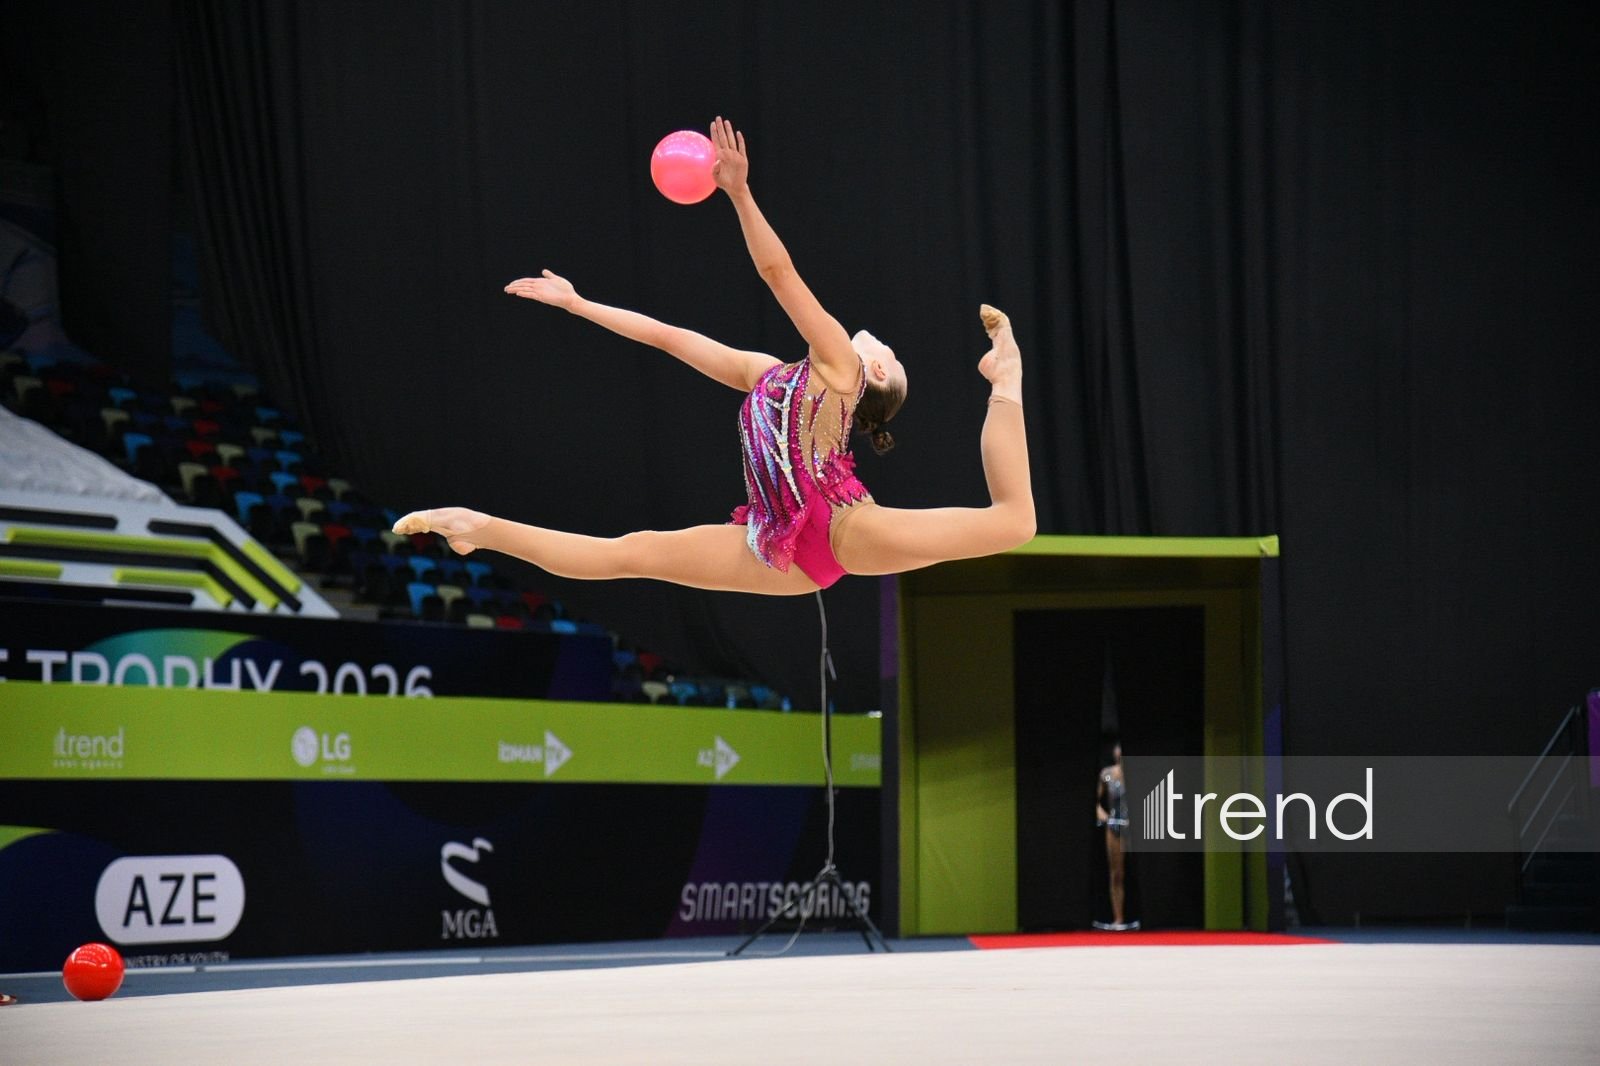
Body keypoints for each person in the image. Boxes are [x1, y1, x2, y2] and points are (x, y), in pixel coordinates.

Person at [394, 117, 1035, 592]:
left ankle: (1005, 377)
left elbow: (779, 274)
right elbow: (670, 337)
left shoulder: (841, 366)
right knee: (630, 553)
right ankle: (480, 528)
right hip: (774, 543)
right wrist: (580, 304)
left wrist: (740, 194)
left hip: (843, 528)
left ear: (877, 373)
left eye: (890, 353)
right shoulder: (770, 376)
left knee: (1015, 524)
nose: (883, 341)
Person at [1093, 742, 1139, 931]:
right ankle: (1118, 918)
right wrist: (1106, 818)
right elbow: (1095, 802)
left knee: (1135, 872)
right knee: (1116, 874)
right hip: (1115, 826)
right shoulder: (1107, 774)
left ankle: (1140, 915)